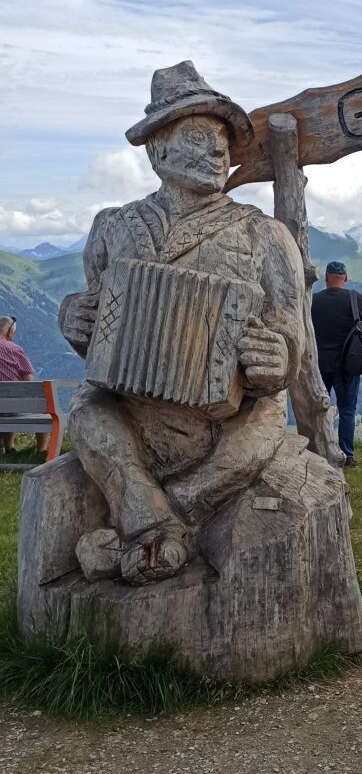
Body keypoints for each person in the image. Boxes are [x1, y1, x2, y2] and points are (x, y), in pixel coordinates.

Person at [58, 61, 306, 585]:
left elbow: (291, 340)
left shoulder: (265, 237)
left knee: (263, 422)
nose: (218, 150)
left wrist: (278, 357)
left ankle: (155, 520)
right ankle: (158, 526)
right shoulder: (113, 228)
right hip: (136, 413)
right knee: (87, 411)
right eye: (200, 136)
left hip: (226, 420)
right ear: (157, 150)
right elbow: (105, 341)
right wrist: (77, 320)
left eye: (223, 140)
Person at [310, 261, 362, 468]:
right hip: (349, 363)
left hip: (320, 363)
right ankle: (347, 455)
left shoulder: (314, 300)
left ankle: (316, 451)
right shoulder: (354, 298)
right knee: (347, 410)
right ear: (345, 278)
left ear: (326, 278)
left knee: (316, 408)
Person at [0, 315, 50, 454]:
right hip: (13, 409)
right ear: (10, 332)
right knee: (43, 407)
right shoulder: (15, 349)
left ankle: (9, 449)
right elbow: (28, 384)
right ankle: (41, 451)